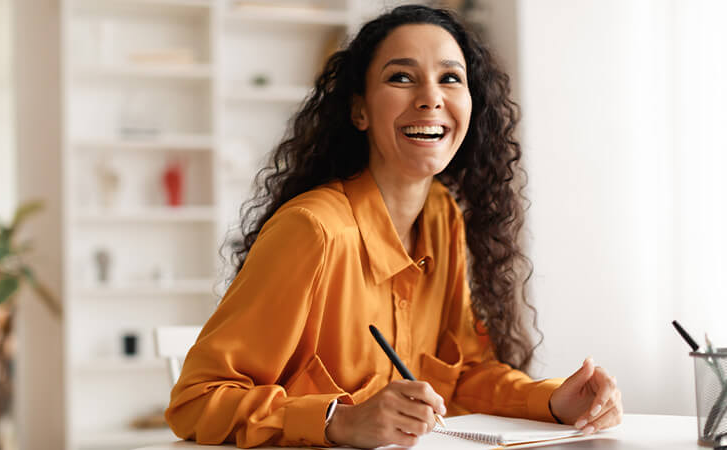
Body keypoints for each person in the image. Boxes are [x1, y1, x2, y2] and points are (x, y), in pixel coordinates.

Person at [165, 5, 623, 448]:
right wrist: (339, 421)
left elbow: (462, 378)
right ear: (359, 111)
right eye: (401, 77)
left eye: (450, 78)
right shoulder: (312, 231)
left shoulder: (443, 216)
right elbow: (195, 401)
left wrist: (551, 399)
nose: (430, 97)